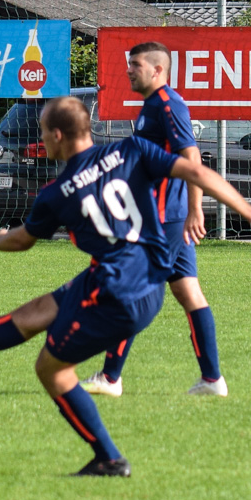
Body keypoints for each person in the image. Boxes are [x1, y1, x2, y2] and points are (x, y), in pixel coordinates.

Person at [0, 95, 251, 477]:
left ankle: (109, 459)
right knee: (35, 313)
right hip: (140, 277)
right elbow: (197, 172)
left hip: (117, 291)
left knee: (51, 370)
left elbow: (23, 241)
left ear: (58, 135)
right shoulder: (132, 150)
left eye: (42, 131)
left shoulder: (57, 194)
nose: (41, 138)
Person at [83, 40, 227, 398]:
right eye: (129, 64)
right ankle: (212, 380)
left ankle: (110, 378)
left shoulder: (168, 104)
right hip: (165, 216)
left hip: (165, 218)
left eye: (136, 65)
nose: (129, 70)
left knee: (130, 290)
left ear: (157, 70)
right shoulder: (151, 105)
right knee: (188, 292)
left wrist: (195, 209)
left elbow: (192, 157)